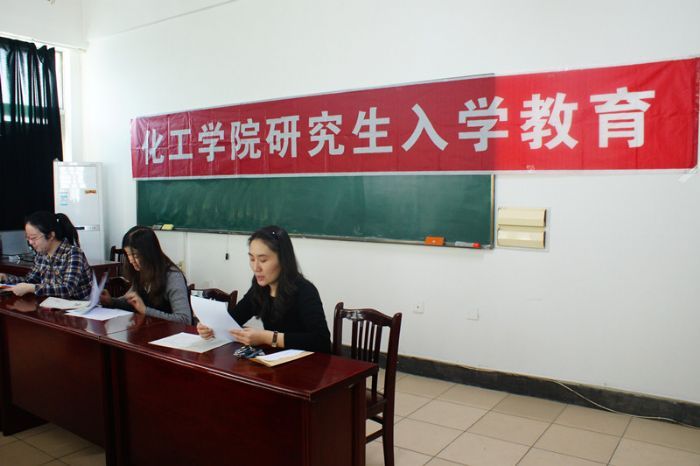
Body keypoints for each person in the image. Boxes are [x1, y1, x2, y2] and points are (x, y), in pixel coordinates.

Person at [197, 225, 331, 353]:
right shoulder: (259, 288)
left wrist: (267, 337)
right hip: (273, 360)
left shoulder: (305, 290)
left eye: (263, 260)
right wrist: (210, 327)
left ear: (283, 260)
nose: (256, 268)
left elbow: (321, 341)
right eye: (252, 259)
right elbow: (232, 321)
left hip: (306, 364)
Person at [100, 226, 193, 324]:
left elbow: (184, 319)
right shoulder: (141, 271)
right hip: (149, 329)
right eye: (128, 254)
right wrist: (111, 301)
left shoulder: (172, 276)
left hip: (169, 332)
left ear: (149, 254)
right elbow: (132, 301)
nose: (131, 260)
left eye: (135, 255)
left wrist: (145, 310)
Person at [0, 211, 92, 299]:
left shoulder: (73, 253)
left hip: (79, 305)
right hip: (53, 304)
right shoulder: (41, 255)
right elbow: (30, 281)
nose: (30, 242)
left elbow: (67, 289)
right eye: (28, 238)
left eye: (33, 238)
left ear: (51, 235)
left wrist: (32, 288)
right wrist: (6, 278)